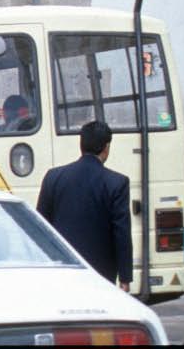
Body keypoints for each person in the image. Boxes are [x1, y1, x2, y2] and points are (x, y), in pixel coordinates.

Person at [37, 120, 132, 289]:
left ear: (81, 145)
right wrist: (125, 277)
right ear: (106, 147)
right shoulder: (117, 183)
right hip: (101, 274)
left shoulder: (53, 177)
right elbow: (121, 233)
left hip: (62, 269)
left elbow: (40, 227)